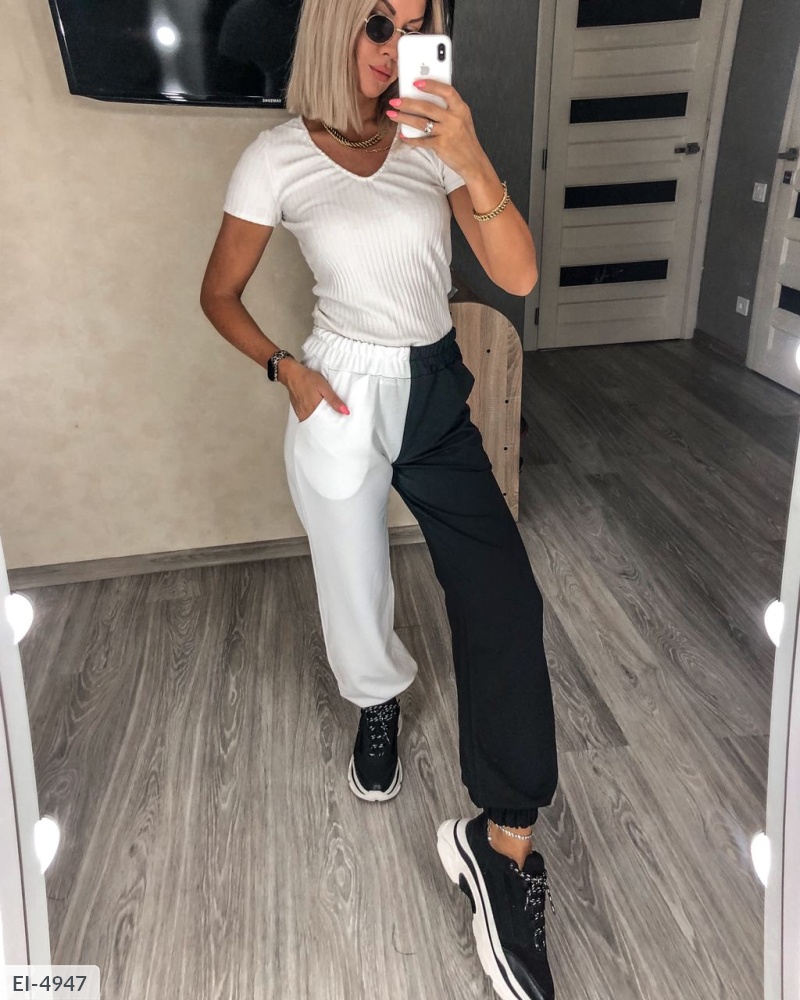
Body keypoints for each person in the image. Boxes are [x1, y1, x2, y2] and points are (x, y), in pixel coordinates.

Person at [199, 1, 559, 996]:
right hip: (338, 389)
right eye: (375, 24)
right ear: (329, 27)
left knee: (503, 594)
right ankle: (375, 702)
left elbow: (518, 271)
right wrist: (285, 368)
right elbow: (217, 294)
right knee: (352, 586)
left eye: (415, 24)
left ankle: (502, 840)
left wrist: (469, 154)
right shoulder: (276, 158)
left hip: (433, 387)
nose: (395, 46)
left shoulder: (432, 137)